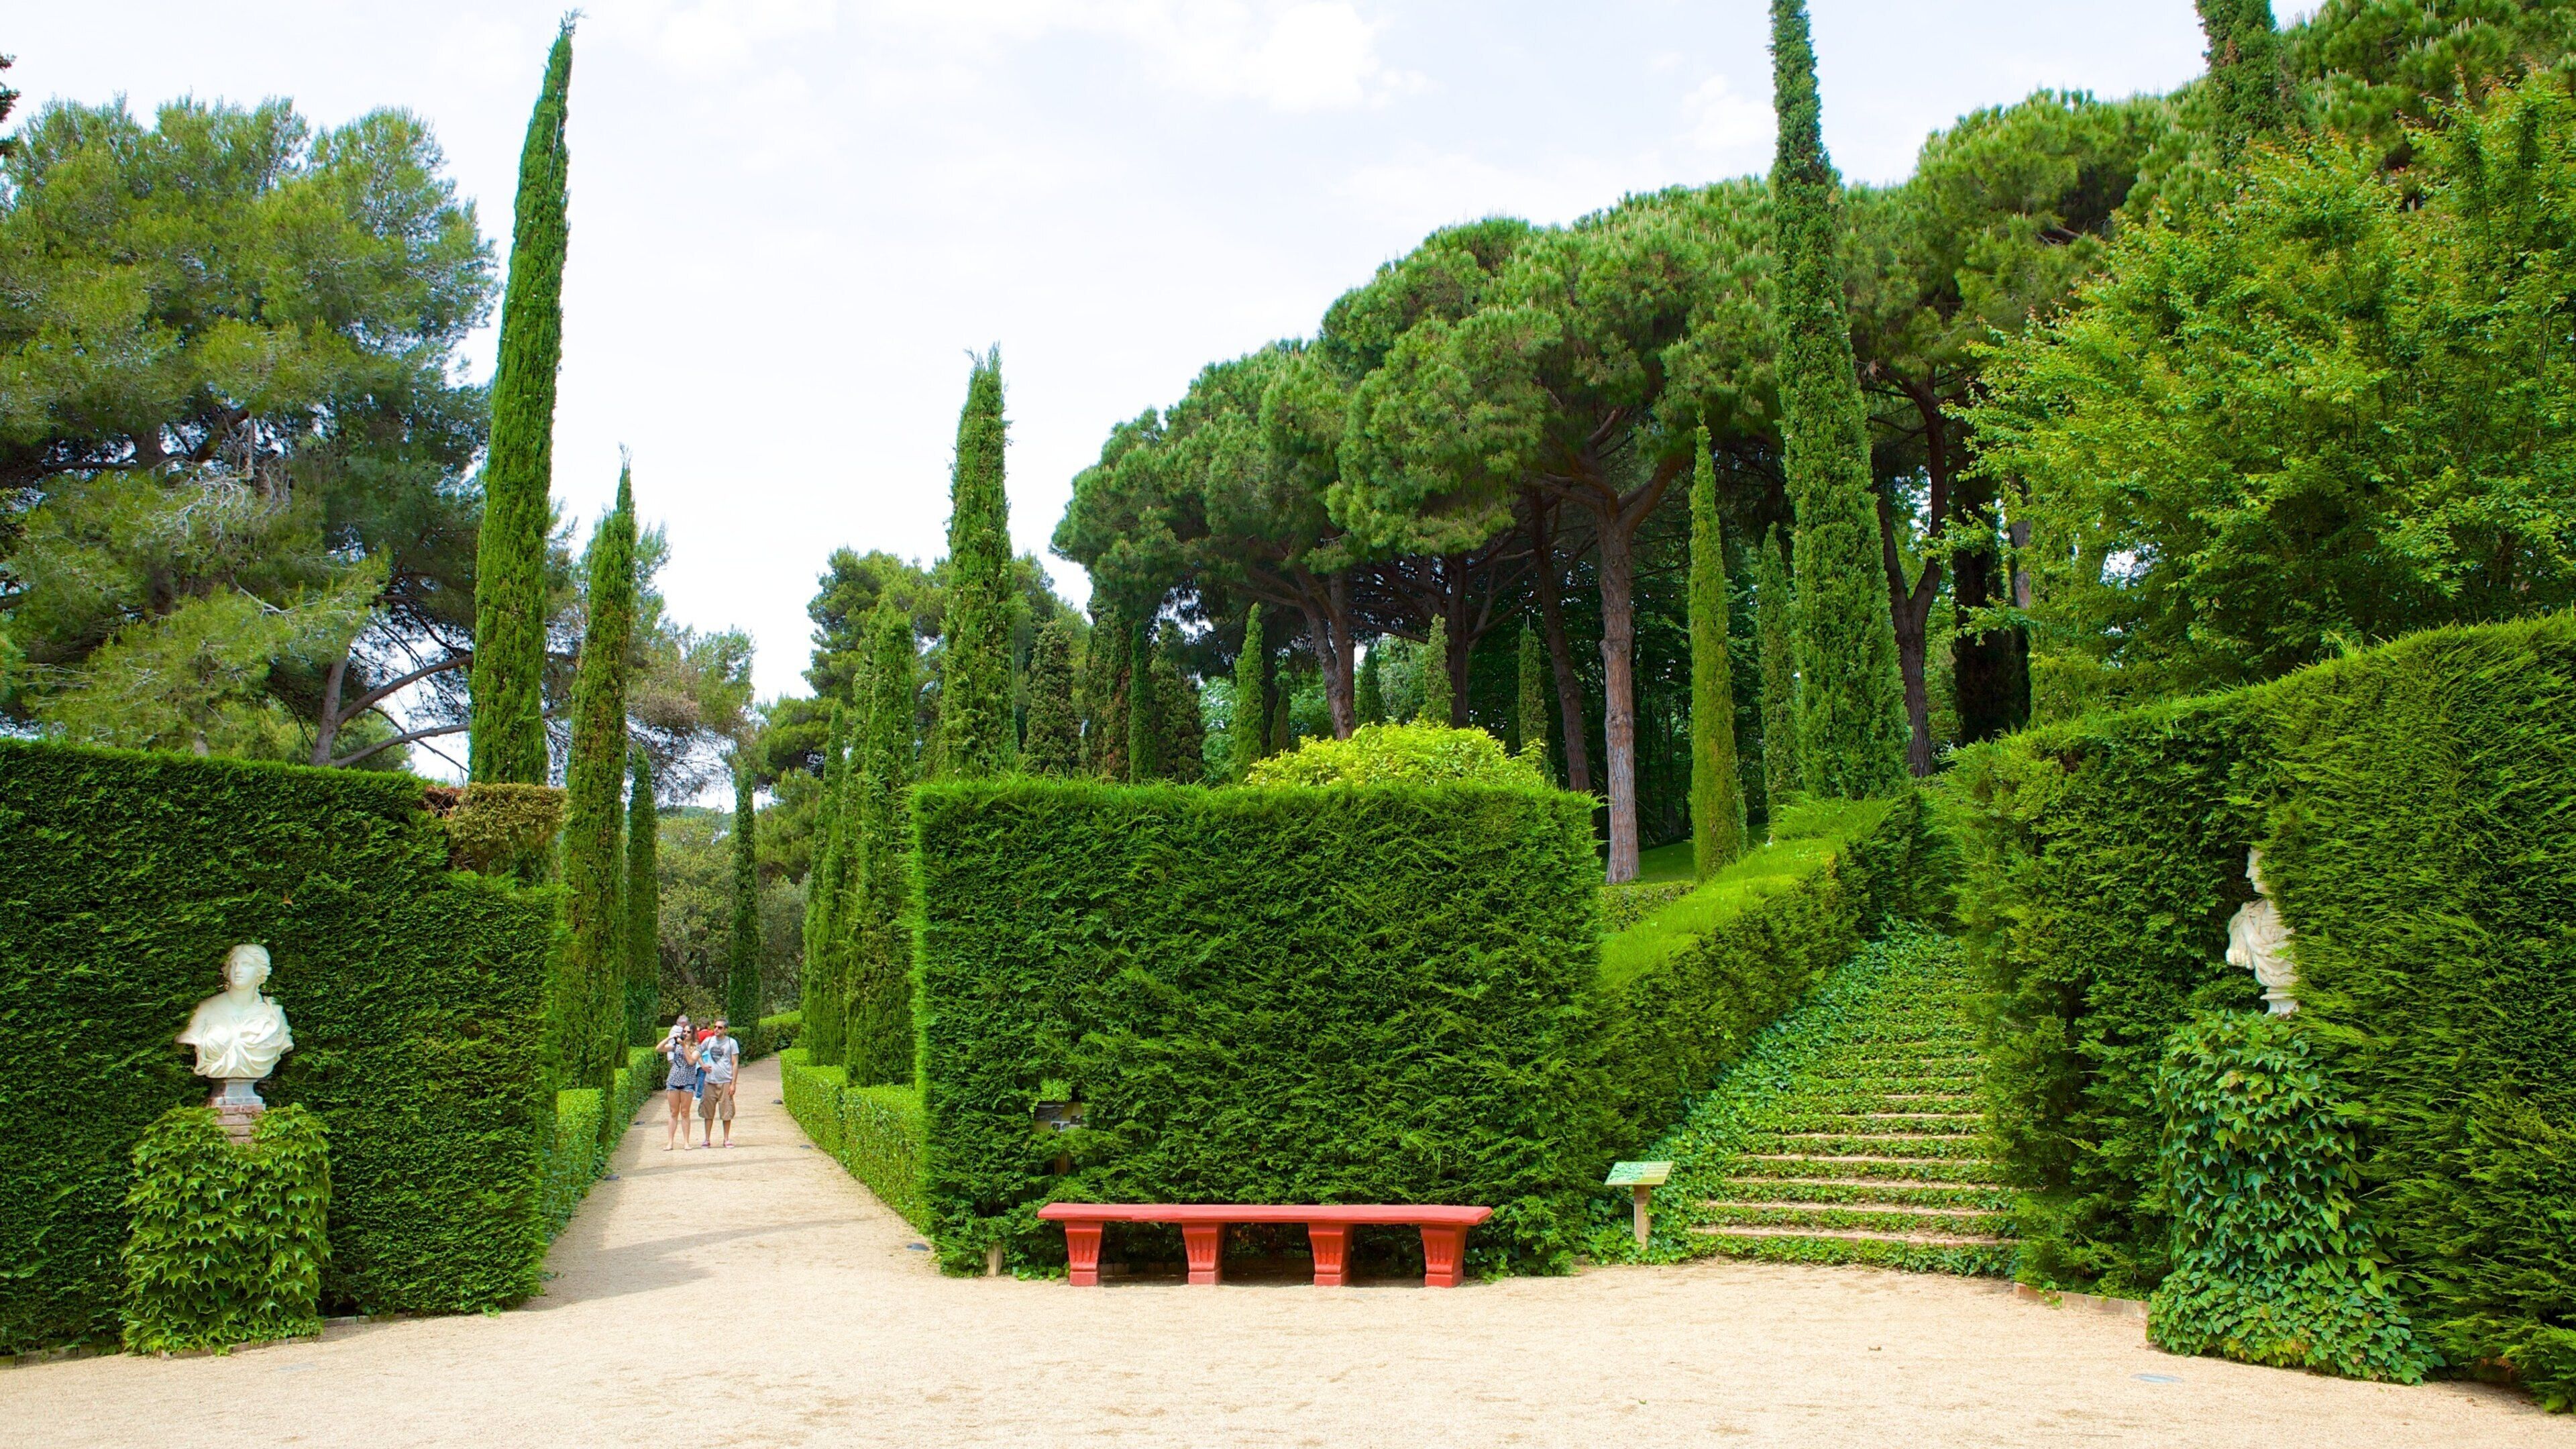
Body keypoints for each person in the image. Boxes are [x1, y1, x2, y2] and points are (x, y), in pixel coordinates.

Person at [696, 1017, 742, 1148]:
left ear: (725, 1030)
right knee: (708, 1112)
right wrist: (702, 1065)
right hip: (710, 1082)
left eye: (720, 1027)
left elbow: (735, 1063)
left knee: (726, 1111)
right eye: (715, 1026)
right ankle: (707, 1139)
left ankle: (726, 1139)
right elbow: (697, 1052)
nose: (716, 1029)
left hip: (725, 1081)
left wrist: (733, 1083)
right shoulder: (709, 1041)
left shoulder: (731, 1043)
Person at [659, 1015, 700, 1151]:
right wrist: (670, 1038)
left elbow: (691, 1061)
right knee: (673, 1112)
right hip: (673, 1080)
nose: (686, 1034)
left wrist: (684, 1046)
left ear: (694, 1034)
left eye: (689, 1032)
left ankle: (686, 1142)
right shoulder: (676, 1045)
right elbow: (659, 1048)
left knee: (685, 1113)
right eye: (685, 1031)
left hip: (687, 1082)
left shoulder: (697, 1048)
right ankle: (670, 1142)